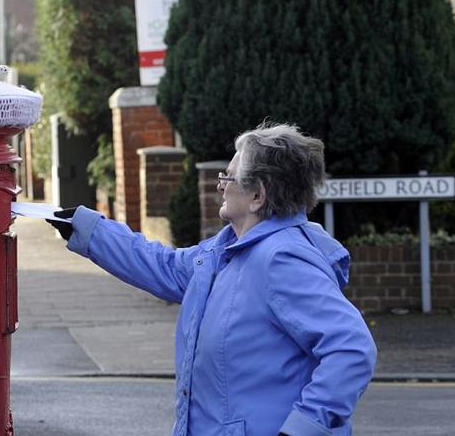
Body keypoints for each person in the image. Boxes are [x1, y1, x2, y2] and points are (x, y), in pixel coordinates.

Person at [47, 122, 377, 436]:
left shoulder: (282, 259)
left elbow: (350, 348)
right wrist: (87, 228)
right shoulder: (225, 251)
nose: (221, 185)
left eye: (229, 178)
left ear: (257, 196)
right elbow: (162, 265)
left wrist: (301, 428)